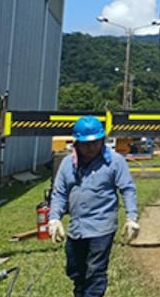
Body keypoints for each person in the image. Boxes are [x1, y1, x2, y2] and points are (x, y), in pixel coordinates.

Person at [48, 115, 139, 297]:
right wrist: (54, 218)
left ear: (102, 140)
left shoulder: (115, 162)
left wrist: (131, 217)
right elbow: (59, 193)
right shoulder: (67, 164)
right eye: (85, 144)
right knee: (75, 270)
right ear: (77, 143)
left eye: (95, 143)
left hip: (102, 227)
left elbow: (127, 189)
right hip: (77, 228)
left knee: (95, 271)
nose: (90, 148)